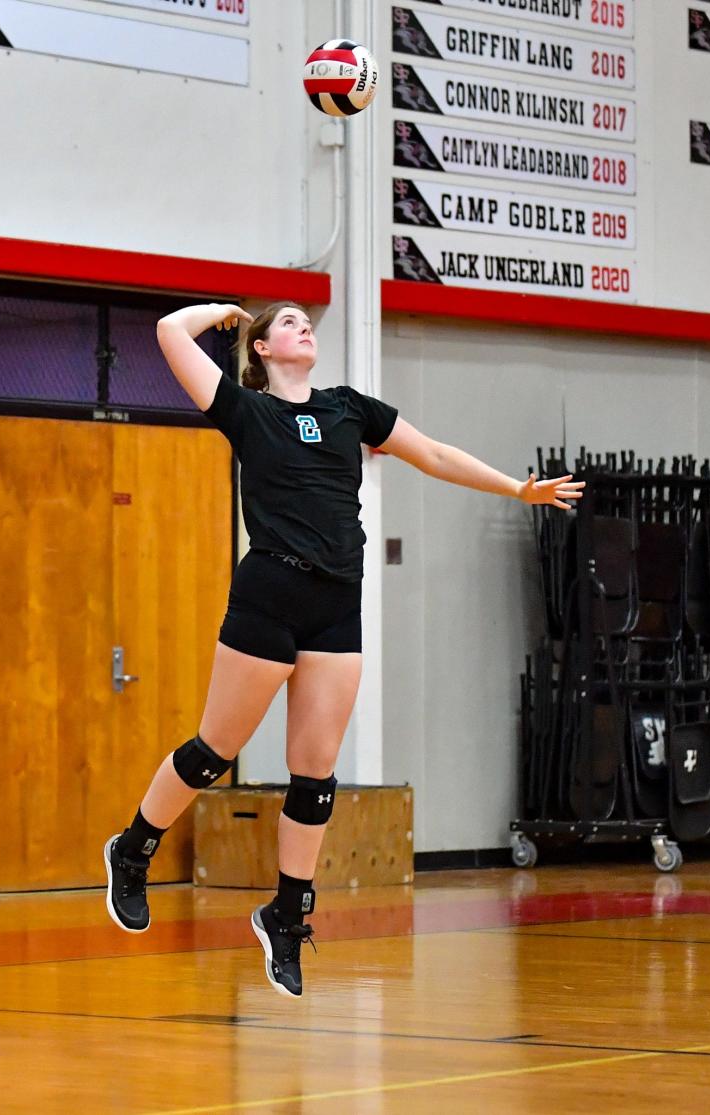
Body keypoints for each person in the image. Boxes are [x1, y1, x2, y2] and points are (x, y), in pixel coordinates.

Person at [104, 301, 583, 998]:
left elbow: (436, 454)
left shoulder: (349, 408)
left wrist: (517, 488)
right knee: (216, 749)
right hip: (270, 591)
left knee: (316, 772)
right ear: (263, 348)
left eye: (308, 322)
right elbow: (166, 331)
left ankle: (287, 913)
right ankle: (134, 846)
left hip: (336, 599)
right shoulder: (244, 407)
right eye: (290, 323)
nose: (306, 329)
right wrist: (225, 314)